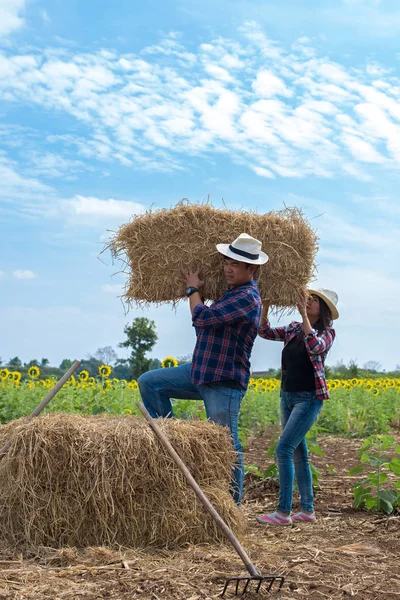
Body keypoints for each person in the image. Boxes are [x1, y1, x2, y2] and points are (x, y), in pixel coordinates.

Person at [138, 233, 268, 504]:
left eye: (235, 263)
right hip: (200, 371)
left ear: (252, 268)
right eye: (226, 261)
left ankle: (231, 508)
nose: (228, 268)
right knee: (150, 382)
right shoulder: (229, 294)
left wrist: (192, 289)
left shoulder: (248, 298)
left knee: (227, 446)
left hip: (223, 381)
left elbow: (202, 317)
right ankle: (176, 444)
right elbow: (205, 322)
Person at [256, 288, 339, 525]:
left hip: (309, 398)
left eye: (314, 301)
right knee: (299, 454)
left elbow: (314, 346)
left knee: (283, 450)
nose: (309, 301)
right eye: (308, 298)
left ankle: (283, 513)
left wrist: (303, 315)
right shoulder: (292, 328)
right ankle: (307, 510)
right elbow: (264, 331)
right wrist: (266, 306)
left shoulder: (327, 333)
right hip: (288, 396)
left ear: (323, 310)